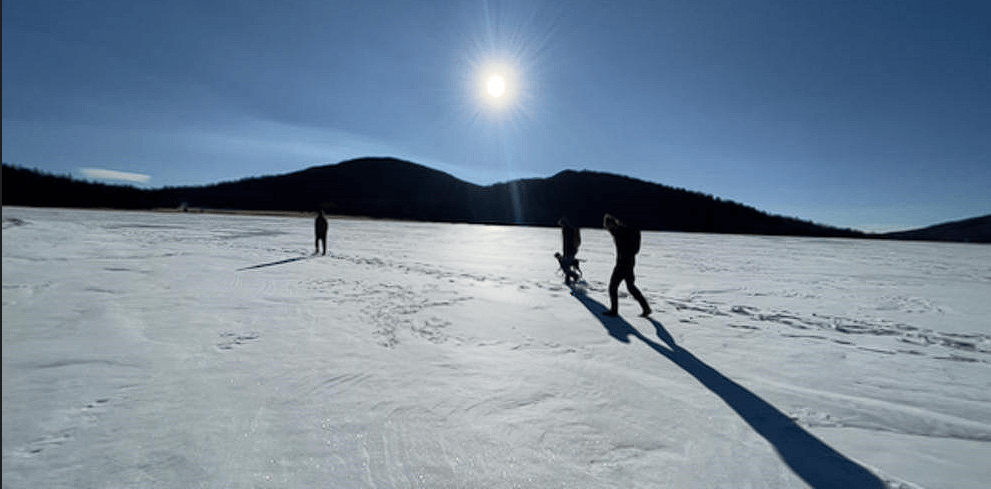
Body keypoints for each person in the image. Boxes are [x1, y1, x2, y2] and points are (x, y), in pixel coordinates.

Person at [603, 213, 650, 317]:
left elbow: (628, 247)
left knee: (612, 287)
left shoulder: (621, 231)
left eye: (607, 225)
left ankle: (614, 311)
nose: (607, 228)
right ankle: (646, 308)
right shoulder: (622, 230)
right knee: (630, 287)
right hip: (629, 263)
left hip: (622, 264)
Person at [555, 217, 582, 285]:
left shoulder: (567, 230)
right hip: (570, 251)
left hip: (569, 251)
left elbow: (567, 243)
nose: (560, 225)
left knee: (565, 266)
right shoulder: (568, 229)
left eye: (561, 223)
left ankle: (575, 276)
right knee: (566, 265)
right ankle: (567, 281)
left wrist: (567, 253)